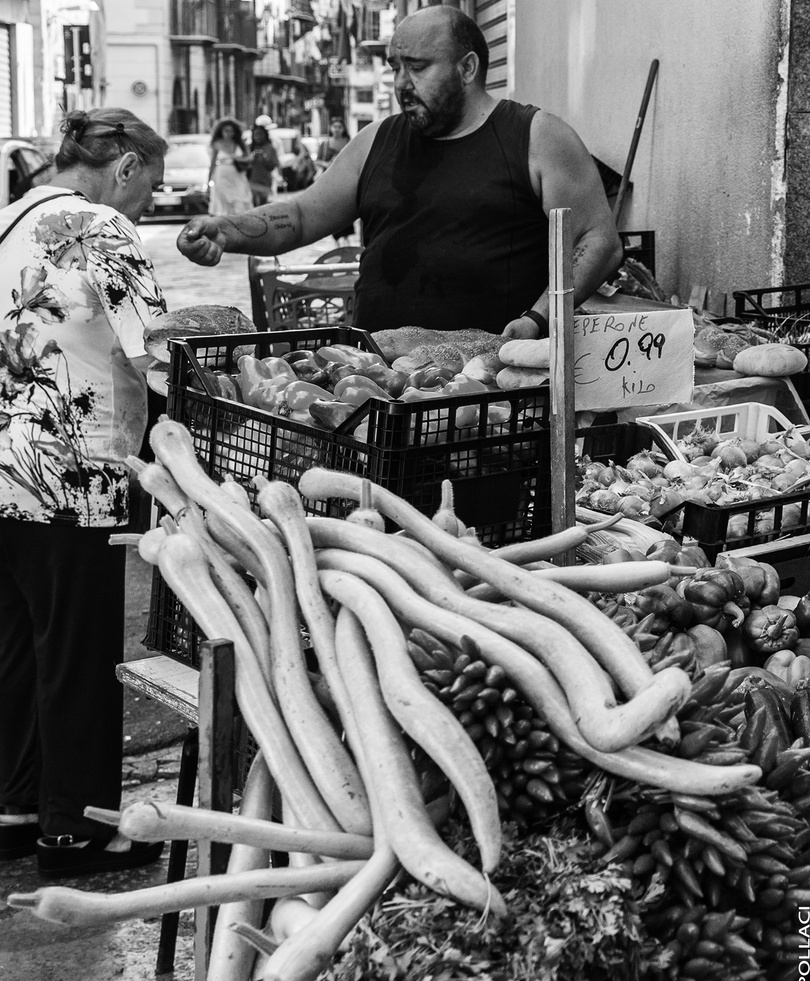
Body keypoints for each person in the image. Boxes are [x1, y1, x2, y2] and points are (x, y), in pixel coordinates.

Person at [177, 6, 622, 337]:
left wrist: (538, 319)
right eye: (395, 67)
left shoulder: (536, 137)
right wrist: (227, 230)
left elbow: (598, 240)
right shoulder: (376, 140)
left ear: (467, 68)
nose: (401, 85)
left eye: (418, 67)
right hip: (379, 387)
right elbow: (301, 215)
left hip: (489, 392)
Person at [0, 107, 168, 877]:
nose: (144, 205)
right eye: (150, 187)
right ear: (126, 166)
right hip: (73, 475)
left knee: (16, 650)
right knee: (75, 653)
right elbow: (159, 352)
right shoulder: (99, 225)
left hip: (3, 464)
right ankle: (77, 830)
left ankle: (18, 807)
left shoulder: (9, 219)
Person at [317, 117, 356, 244]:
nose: (337, 129)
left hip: (346, 180)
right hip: (330, 181)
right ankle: (337, 239)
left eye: (339, 127)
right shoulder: (325, 144)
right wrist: (328, 164)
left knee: (347, 209)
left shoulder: (349, 142)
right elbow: (317, 160)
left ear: (344, 129)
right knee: (333, 210)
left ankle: (347, 237)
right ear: (330, 128)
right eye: (335, 127)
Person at [208, 116, 253, 215]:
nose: (228, 133)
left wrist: (237, 158)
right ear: (221, 131)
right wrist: (209, 180)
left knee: (239, 199)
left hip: (238, 175)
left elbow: (249, 158)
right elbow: (212, 164)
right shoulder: (216, 144)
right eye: (226, 131)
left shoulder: (240, 143)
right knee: (224, 201)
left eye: (231, 131)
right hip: (222, 176)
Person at [247, 123, 281, 206]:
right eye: (256, 134)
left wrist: (265, 159)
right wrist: (251, 159)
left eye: (261, 134)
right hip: (250, 181)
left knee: (263, 206)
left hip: (265, 181)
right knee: (252, 205)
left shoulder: (270, 148)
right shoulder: (248, 147)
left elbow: (273, 165)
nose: (258, 136)